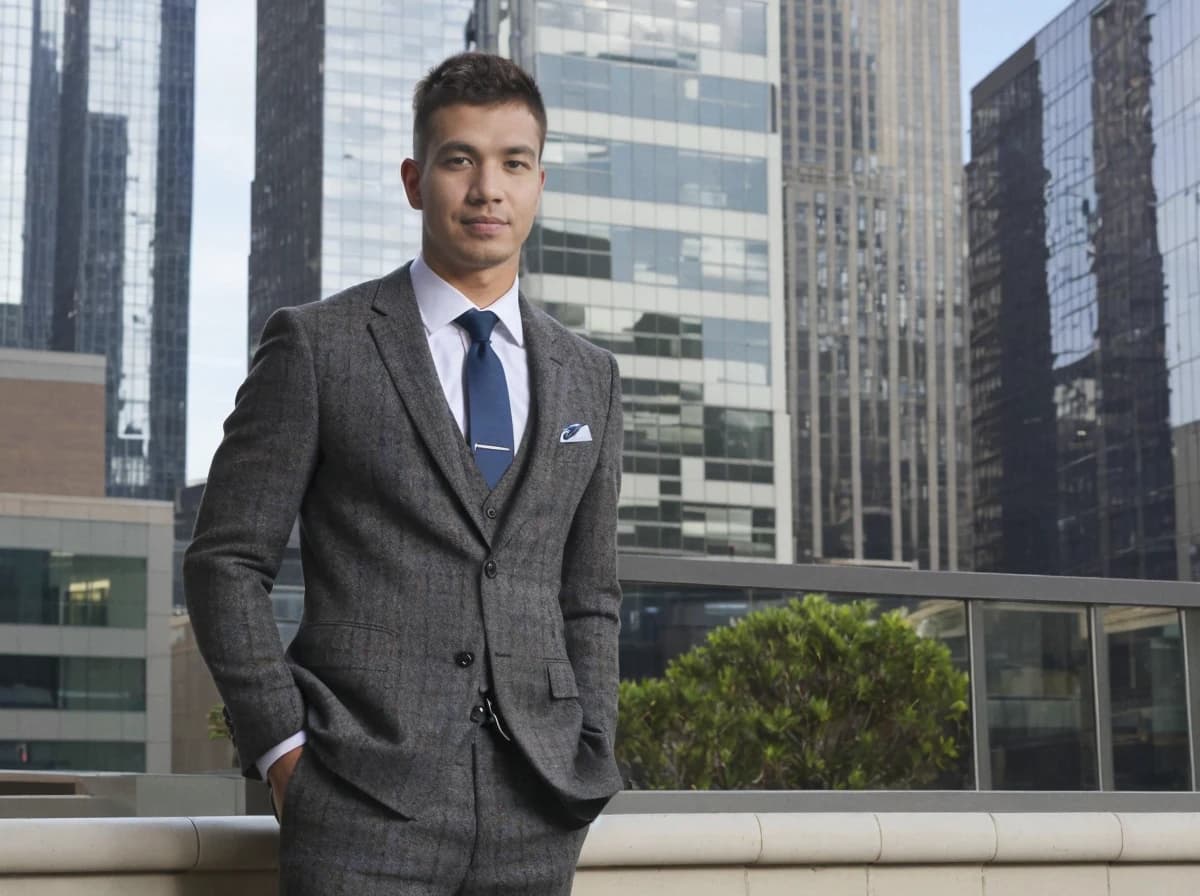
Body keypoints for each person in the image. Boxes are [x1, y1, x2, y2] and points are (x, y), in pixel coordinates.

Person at [184, 52, 624, 895]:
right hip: (357, 804)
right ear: (415, 179)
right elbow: (224, 561)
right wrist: (285, 755)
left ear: (539, 183)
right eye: (460, 159)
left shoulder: (589, 376)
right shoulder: (320, 346)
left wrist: (590, 744)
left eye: (513, 163)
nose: (487, 188)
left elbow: (590, 593)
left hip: (538, 811)